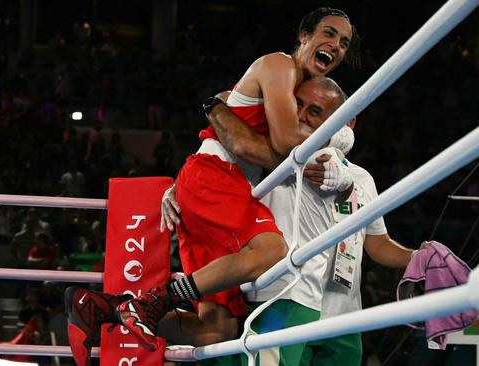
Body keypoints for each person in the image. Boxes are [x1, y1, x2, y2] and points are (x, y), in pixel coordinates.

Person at [66, 7, 359, 365]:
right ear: (303, 36)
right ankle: (151, 302)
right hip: (216, 180)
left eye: (344, 42)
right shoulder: (279, 66)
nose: (336, 45)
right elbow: (284, 142)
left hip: (214, 186)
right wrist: (339, 136)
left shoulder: (293, 90)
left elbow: (229, 103)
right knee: (272, 251)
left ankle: (102, 309)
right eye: (328, 34)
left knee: (215, 329)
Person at [157, 76, 416, 366]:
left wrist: (417, 257)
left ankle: (136, 307)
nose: (302, 116)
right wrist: (179, 189)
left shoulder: (362, 178)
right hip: (282, 299)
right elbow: (222, 171)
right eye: (298, 106)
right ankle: (139, 306)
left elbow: (378, 244)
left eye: (314, 111)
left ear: (347, 121)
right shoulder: (274, 163)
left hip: (343, 315)